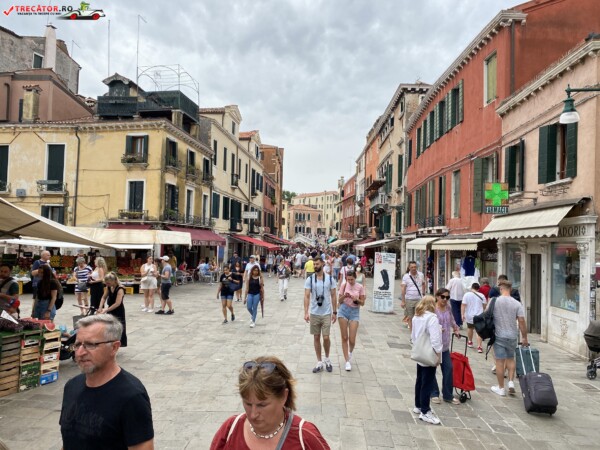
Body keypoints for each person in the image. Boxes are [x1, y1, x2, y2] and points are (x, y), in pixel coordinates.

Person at [60, 314, 154, 449]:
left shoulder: (131, 397)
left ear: (114, 347)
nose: (80, 352)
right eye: (77, 344)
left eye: (91, 345)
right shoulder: (72, 386)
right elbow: (68, 441)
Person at [210, 356, 329, 449]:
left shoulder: (305, 436)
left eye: (262, 405)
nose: (253, 414)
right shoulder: (230, 429)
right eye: (248, 404)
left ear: (284, 396)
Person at [491, 280, 528, 397]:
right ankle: (511, 382)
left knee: (499, 362)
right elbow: (521, 321)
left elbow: (486, 314)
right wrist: (525, 337)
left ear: (501, 289)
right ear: (510, 289)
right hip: (512, 335)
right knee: (511, 359)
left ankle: (501, 388)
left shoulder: (495, 301)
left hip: (499, 335)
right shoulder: (517, 303)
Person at [411, 295, 443, 425]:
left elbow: (413, 336)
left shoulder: (416, 317)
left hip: (420, 351)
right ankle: (425, 411)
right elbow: (435, 339)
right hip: (429, 352)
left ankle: (418, 405)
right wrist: (438, 354)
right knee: (427, 382)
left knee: (420, 380)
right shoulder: (432, 318)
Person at [304, 257, 337, 373]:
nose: (315, 266)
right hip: (314, 313)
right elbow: (306, 296)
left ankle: (327, 359)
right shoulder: (310, 279)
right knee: (316, 337)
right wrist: (306, 312)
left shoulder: (330, 279)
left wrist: (335, 312)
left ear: (322, 264)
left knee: (326, 337)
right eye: (314, 264)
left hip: (326, 312)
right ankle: (319, 361)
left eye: (317, 264)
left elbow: (333, 295)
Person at [430, 288, 460, 405]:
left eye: (447, 297)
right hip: (434, 345)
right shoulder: (432, 308)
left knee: (449, 369)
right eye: (443, 297)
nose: (445, 299)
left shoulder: (448, 307)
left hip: (445, 345)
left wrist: (456, 329)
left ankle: (448, 395)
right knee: (432, 369)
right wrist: (438, 329)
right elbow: (428, 324)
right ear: (437, 296)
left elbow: (451, 320)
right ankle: (434, 393)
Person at [337, 271, 365, 371]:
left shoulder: (360, 287)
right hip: (343, 310)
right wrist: (344, 296)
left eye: (351, 279)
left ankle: (350, 351)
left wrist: (356, 299)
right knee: (344, 337)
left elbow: (362, 303)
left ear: (355, 278)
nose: (350, 281)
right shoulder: (344, 285)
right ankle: (347, 361)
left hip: (354, 311)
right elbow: (339, 300)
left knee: (352, 339)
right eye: (348, 279)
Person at [98, 272, 128, 347]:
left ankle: (118, 343)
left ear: (114, 281)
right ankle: (110, 342)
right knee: (110, 326)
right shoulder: (109, 287)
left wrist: (106, 310)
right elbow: (103, 297)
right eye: (106, 283)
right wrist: (100, 307)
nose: (107, 284)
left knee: (118, 327)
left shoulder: (120, 289)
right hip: (110, 309)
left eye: (108, 283)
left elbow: (117, 303)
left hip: (118, 310)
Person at [461, 283, 487, 352]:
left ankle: (470, 342)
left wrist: (462, 314)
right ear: (478, 289)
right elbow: (484, 306)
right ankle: (479, 347)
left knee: (470, 328)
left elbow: (463, 305)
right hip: (479, 315)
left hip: (469, 315)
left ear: (471, 288)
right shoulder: (482, 295)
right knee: (478, 331)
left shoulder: (466, 295)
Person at [401, 261, 426, 330]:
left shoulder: (421, 275)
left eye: (415, 267)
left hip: (419, 299)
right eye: (412, 267)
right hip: (409, 299)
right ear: (409, 268)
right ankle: (412, 332)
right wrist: (403, 301)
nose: (413, 268)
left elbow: (423, 283)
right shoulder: (406, 276)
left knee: (418, 316)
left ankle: (417, 331)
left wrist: (423, 294)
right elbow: (403, 289)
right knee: (410, 317)